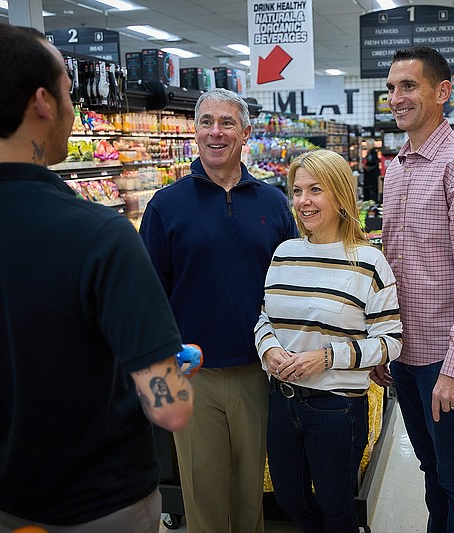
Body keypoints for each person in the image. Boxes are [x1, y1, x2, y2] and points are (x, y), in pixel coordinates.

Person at [0, 23, 194, 533]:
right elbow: (171, 408)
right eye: (70, 92)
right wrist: (172, 372)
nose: (75, 110)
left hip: (5, 498)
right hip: (105, 504)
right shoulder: (100, 233)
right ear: (43, 102)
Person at [140, 88, 297, 533]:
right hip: (190, 374)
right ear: (194, 132)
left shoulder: (273, 204)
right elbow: (148, 294)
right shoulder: (165, 207)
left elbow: (288, 287)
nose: (216, 132)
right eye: (206, 122)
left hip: (258, 369)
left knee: (251, 492)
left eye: (227, 123)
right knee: (202, 493)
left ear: (246, 132)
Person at [376, 46, 454, 533]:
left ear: (441, 92)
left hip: (446, 357)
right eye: (391, 87)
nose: (396, 97)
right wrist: (382, 343)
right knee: (432, 470)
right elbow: (394, 266)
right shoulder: (399, 166)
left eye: (408, 86)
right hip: (406, 352)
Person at [254, 149, 403, 532]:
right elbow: (263, 316)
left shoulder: (369, 262)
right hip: (281, 402)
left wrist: (327, 357)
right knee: (290, 499)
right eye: (297, 190)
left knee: (337, 508)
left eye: (315, 190)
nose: (303, 201)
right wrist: (268, 348)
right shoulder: (284, 253)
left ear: (339, 195)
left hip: (336, 410)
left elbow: (390, 341)